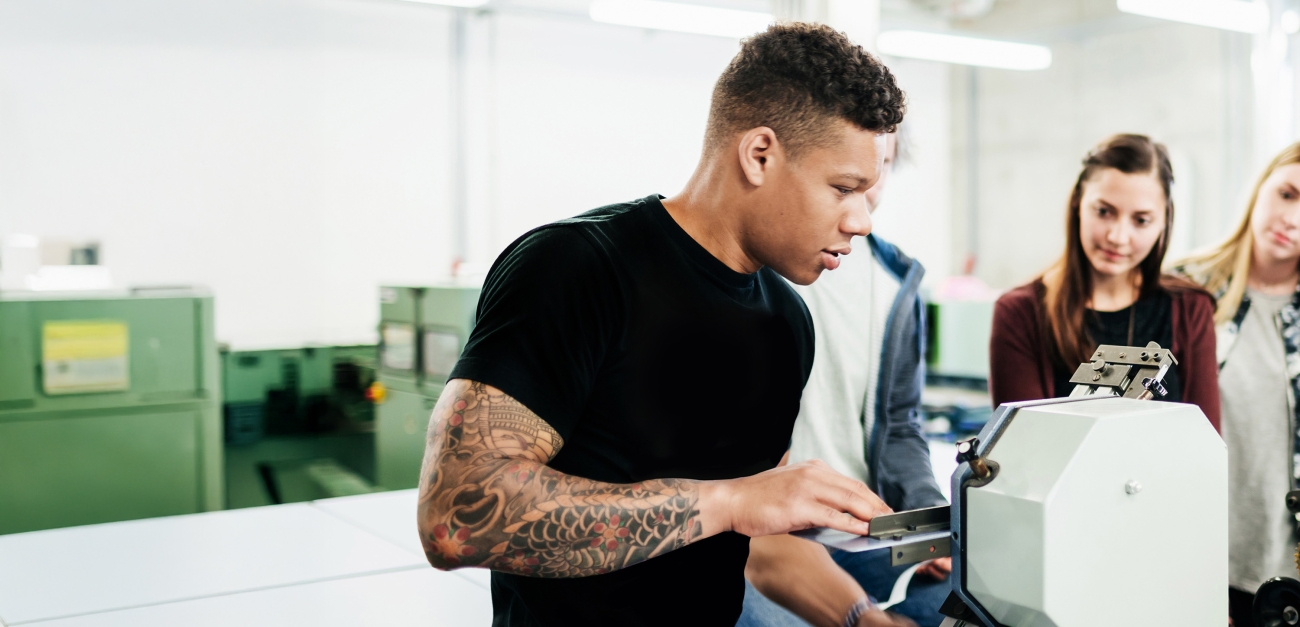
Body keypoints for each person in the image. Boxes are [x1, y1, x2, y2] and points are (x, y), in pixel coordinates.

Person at [416, 23, 916, 627]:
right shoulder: (577, 268)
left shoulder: (787, 324)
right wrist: (730, 500)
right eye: (844, 188)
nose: (862, 221)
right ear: (759, 155)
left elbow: (755, 539)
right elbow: (456, 516)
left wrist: (865, 618)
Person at [738, 129, 952, 627]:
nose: (864, 196)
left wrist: (925, 519)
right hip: (760, 536)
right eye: (845, 180)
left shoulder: (899, 281)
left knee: (980, 600)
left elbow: (901, 424)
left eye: (879, 169)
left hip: (863, 533)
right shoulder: (752, 271)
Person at [988, 134, 1219, 429]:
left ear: (1164, 221)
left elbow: (1206, 445)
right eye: (1104, 212)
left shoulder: (1191, 309)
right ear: (1077, 204)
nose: (1118, 237)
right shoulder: (1020, 312)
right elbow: (1026, 447)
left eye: (1141, 220)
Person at [1171, 140, 1300, 626]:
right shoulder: (1183, 289)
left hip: (1284, 577)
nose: (1292, 218)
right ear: (1259, 188)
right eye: (1287, 194)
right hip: (1191, 558)